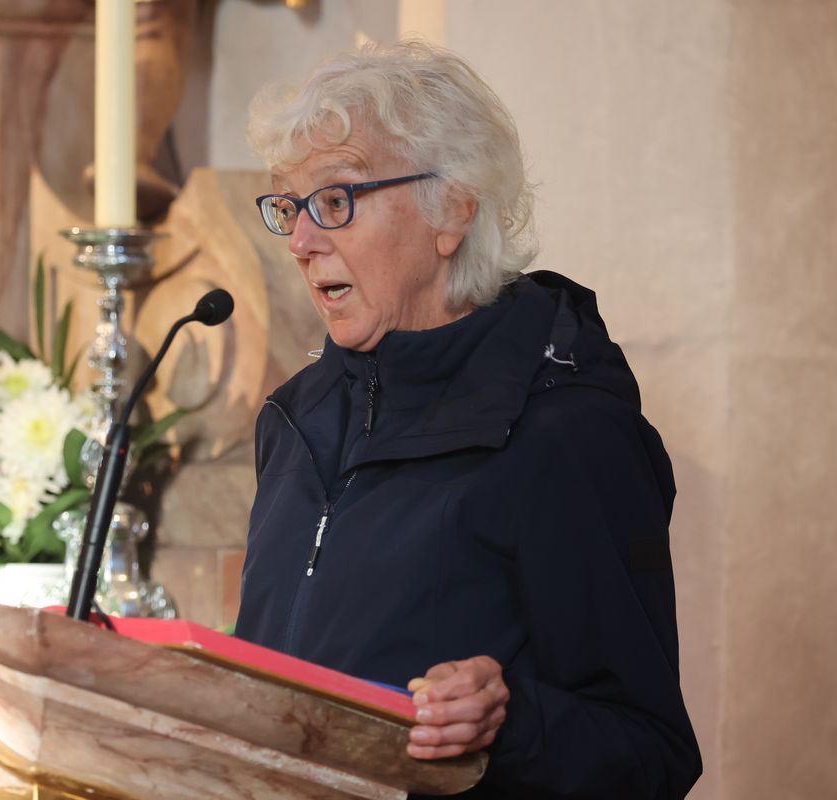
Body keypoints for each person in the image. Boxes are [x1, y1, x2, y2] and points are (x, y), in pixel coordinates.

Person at [233, 41, 702, 799]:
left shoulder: (566, 436)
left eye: (335, 201)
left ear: (451, 207)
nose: (301, 241)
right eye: (289, 206)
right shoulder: (294, 419)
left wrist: (509, 720)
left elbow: (649, 754)